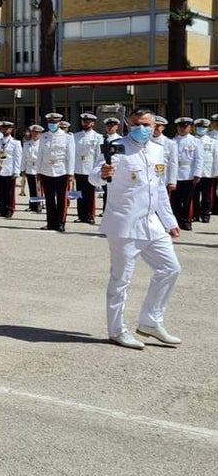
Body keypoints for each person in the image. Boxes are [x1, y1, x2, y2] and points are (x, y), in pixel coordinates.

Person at [89, 109, 183, 350]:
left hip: (152, 222)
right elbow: (94, 177)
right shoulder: (116, 147)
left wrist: (170, 221)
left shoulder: (157, 149)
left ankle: (151, 321)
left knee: (170, 268)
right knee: (121, 280)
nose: (143, 128)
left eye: (147, 124)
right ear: (128, 125)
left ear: (154, 127)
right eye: (138, 124)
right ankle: (117, 330)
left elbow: (159, 189)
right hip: (124, 223)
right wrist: (102, 174)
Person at [37, 112, 75, 232]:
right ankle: (50, 222)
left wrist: (70, 173)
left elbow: (70, 156)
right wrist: (38, 171)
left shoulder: (67, 137)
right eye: (50, 122)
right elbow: (40, 155)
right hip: (46, 170)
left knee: (61, 199)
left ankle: (60, 222)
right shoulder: (43, 136)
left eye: (54, 122)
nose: (52, 124)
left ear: (59, 123)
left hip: (61, 171)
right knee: (49, 199)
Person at [73, 113, 103, 224]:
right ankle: (81, 215)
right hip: (78, 167)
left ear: (93, 123)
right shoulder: (75, 136)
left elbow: (99, 155)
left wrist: (97, 170)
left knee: (90, 194)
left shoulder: (98, 137)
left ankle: (90, 215)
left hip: (90, 167)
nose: (86, 123)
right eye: (84, 121)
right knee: (79, 193)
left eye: (89, 121)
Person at [171, 118, 200, 230]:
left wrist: (197, 174)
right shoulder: (172, 141)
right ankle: (177, 221)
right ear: (177, 127)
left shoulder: (195, 141)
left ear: (190, 128)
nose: (182, 129)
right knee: (175, 200)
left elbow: (199, 159)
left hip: (189, 174)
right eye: (180, 127)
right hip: (175, 175)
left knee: (188, 200)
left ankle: (187, 220)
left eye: (185, 127)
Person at [0, 120, 22, 218]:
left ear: (11, 130)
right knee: (0, 191)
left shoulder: (15, 143)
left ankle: (9, 209)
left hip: (9, 170)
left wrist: (16, 172)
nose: (5, 130)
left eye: (7, 128)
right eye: (3, 128)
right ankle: (1, 209)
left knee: (9, 192)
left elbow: (18, 158)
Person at [191, 118, 215, 223]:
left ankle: (205, 214)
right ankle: (195, 214)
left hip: (207, 173)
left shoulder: (213, 142)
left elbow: (216, 158)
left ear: (208, 128)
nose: (201, 129)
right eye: (199, 127)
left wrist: (215, 172)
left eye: (204, 127)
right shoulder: (191, 140)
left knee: (206, 196)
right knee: (194, 195)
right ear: (194, 128)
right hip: (193, 173)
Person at [21, 124, 43, 212]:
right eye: (33, 133)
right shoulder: (27, 144)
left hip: (39, 168)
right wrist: (22, 169)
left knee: (38, 188)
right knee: (31, 188)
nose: (35, 134)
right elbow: (24, 157)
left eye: (37, 133)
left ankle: (39, 205)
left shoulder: (42, 143)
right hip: (30, 167)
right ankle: (32, 205)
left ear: (40, 134)